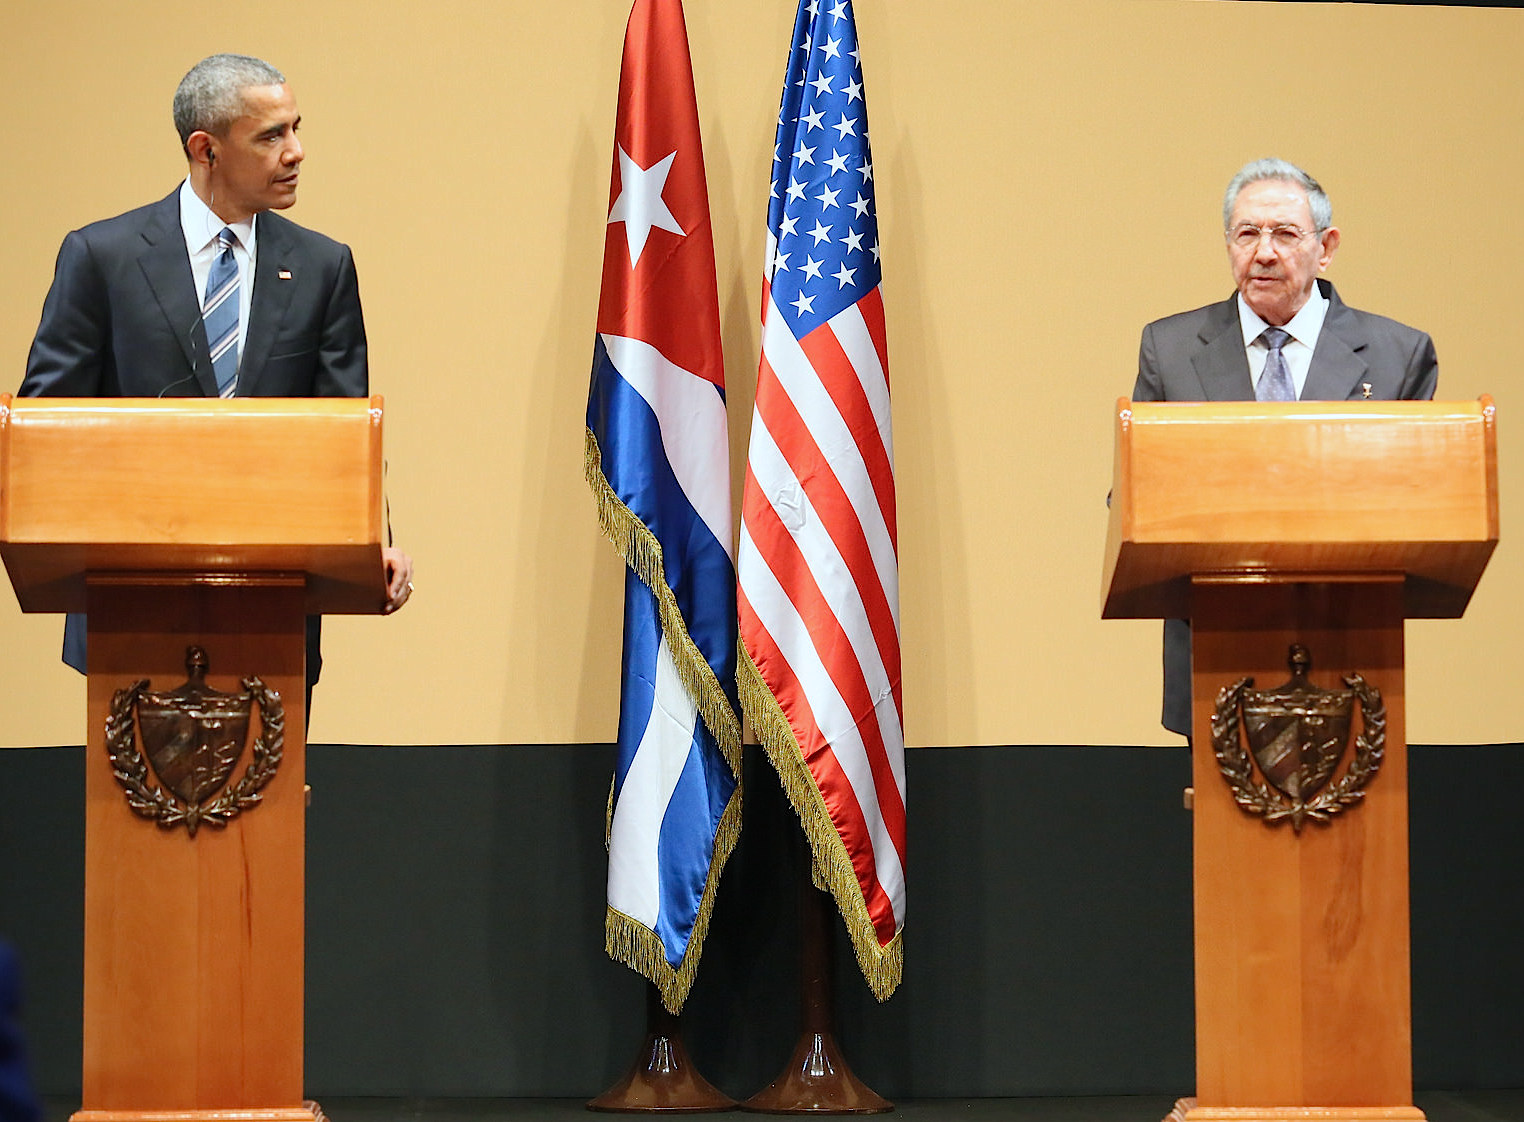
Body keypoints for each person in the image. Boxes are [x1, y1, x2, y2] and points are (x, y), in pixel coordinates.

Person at [18, 53, 412, 698]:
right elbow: (48, 422)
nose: (296, 152)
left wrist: (374, 544)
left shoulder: (322, 266)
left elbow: (344, 431)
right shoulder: (102, 257)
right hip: (131, 600)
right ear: (206, 149)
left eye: (296, 129)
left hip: (274, 601)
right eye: (271, 136)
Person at [1132, 157, 1437, 737]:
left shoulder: (1398, 354)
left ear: (1326, 248)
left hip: (1351, 647)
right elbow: (1133, 499)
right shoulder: (1170, 350)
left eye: (1285, 234)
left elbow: (1418, 507)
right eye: (1247, 233)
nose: (1264, 252)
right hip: (1214, 654)